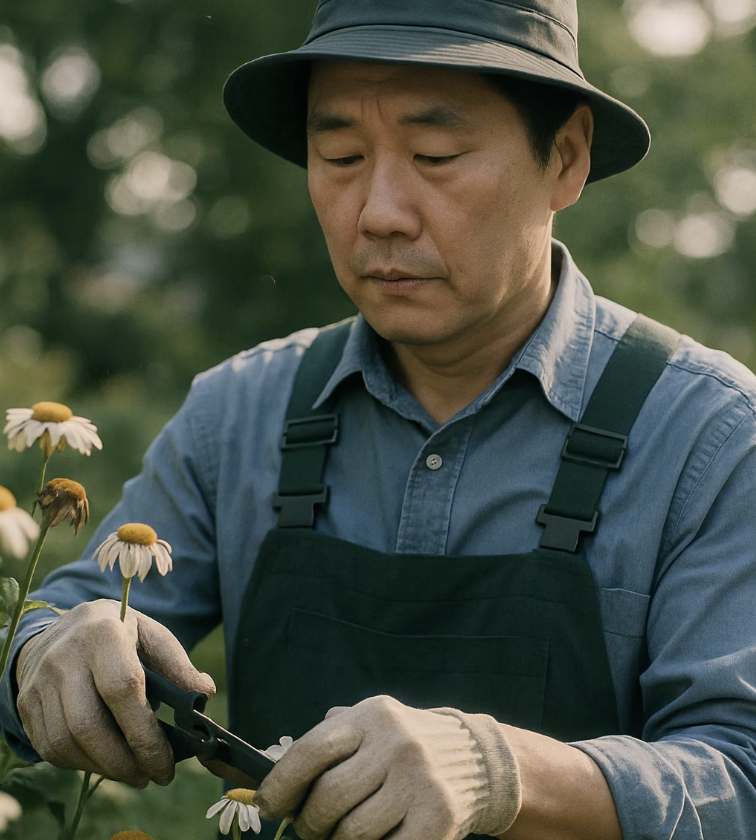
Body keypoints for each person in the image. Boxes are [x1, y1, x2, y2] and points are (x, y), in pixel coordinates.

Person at [2, 1, 756, 838]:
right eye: (341, 156)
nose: (379, 212)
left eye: (436, 155)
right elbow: (68, 618)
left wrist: (504, 772)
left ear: (566, 159)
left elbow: (740, 773)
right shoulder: (240, 415)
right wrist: (46, 652)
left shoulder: (712, 437)